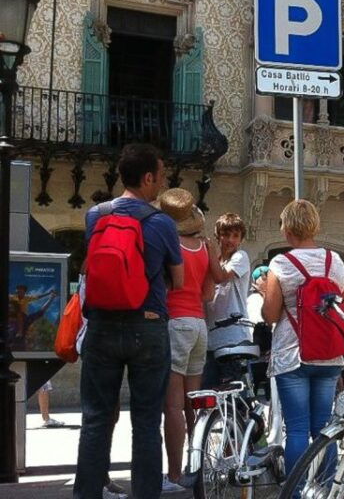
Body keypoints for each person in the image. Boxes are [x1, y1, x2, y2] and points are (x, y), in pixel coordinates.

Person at [75, 143, 184, 499]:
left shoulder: (96, 216)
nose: (162, 182)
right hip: (147, 325)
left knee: (94, 420)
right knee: (147, 422)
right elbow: (179, 281)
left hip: (101, 325)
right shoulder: (162, 223)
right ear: (148, 178)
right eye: (161, 176)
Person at [263, 199, 344, 476]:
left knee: (298, 430)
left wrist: (263, 290)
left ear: (287, 228)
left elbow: (270, 314)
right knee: (324, 428)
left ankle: (297, 492)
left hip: (292, 356)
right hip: (329, 355)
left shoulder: (281, 263)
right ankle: (325, 489)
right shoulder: (334, 261)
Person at [157, 189, 215, 493]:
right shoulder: (204, 248)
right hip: (198, 323)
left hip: (175, 322)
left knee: (174, 406)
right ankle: (199, 467)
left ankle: (175, 475)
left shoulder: (170, 244)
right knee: (195, 404)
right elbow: (209, 291)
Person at [203, 213, 252, 387]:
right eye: (226, 234)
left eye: (235, 236)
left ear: (241, 239)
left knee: (232, 393)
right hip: (211, 337)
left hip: (234, 337)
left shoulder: (240, 257)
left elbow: (220, 277)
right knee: (209, 390)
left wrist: (208, 251)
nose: (230, 240)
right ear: (218, 235)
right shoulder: (215, 261)